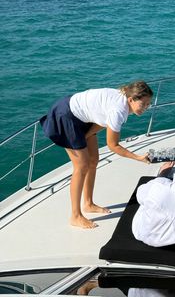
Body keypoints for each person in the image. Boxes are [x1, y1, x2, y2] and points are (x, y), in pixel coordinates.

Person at [40, 80, 153, 229]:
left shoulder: (123, 102)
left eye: (148, 104)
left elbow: (102, 119)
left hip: (83, 118)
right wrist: (138, 158)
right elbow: (113, 145)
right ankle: (75, 216)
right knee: (82, 166)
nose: (145, 108)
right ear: (131, 99)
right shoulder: (118, 111)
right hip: (66, 116)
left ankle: (88, 203)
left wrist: (86, 135)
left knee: (93, 160)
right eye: (143, 104)